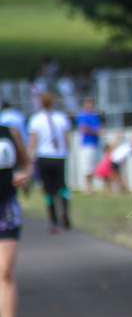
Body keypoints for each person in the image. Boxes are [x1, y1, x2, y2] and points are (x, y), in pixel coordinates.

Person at [0, 118, 32, 317]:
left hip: (6, 209)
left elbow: (26, 164)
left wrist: (24, 175)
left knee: (5, 271)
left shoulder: (9, 133)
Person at [27, 92, 73, 233]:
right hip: (59, 156)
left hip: (43, 156)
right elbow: (67, 139)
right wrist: (65, 151)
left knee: (48, 190)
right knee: (62, 186)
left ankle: (53, 221)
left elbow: (33, 142)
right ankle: (64, 209)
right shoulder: (61, 118)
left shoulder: (35, 120)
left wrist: (29, 159)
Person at [76, 97, 103, 194]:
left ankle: (90, 187)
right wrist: (95, 131)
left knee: (92, 167)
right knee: (87, 166)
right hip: (87, 143)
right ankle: (87, 188)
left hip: (94, 143)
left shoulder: (94, 115)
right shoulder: (83, 115)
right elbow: (84, 128)